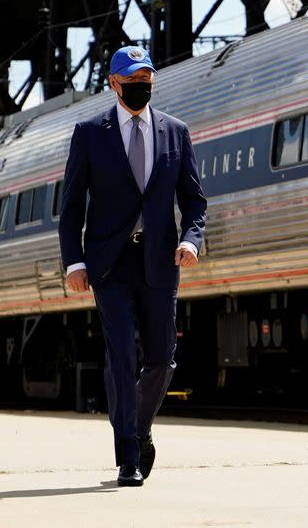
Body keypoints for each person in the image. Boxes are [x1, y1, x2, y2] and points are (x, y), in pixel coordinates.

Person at [58, 45, 206, 487]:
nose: (141, 88)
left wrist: (191, 239)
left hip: (160, 258)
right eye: (132, 81)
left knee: (162, 359)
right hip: (109, 263)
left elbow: (194, 200)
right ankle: (127, 456)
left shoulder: (175, 132)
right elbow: (70, 209)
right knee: (121, 354)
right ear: (113, 83)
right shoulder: (89, 133)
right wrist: (74, 263)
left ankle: (139, 429)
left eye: (147, 81)